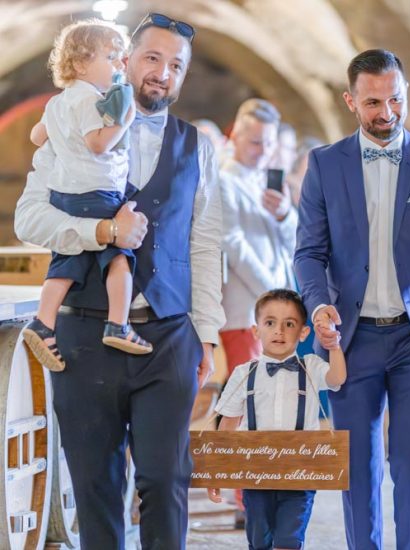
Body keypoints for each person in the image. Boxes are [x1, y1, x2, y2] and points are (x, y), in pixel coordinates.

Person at [15, 12, 224, 549]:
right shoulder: (68, 125)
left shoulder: (197, 146)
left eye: (175, 65)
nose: (162, 73)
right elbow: (29, 220)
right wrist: (102, 229)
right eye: (152, 58)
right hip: (83, 336)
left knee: (164, 477)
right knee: (95, 485)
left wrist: (208, 333)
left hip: (167, 334)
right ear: (125, 59)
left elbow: (204, 244)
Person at [294, 49, 410, 549]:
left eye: (395, 98)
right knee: (358, 464)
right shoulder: (325, 165)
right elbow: (309, 252)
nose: (386, 112)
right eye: (373, 102)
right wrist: (317, 304)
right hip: (352, 339)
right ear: (351, 101)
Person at [21, 20, 152, 372]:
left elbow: (37, 136)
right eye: (111, 57)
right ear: (80, 64)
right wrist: (125, 120)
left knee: (65, 262)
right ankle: (118, 323)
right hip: (97, 192)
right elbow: (98, 143)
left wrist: (61, 137)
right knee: (120, 257)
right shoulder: (92, 101)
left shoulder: (57, 102)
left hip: (66, 193)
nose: (119, 65)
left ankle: (43, 323)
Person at [208, 289, 346, 549]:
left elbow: (337, 378)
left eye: (289, 324)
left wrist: (334, 346)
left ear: (303, 333)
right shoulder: (243, 373)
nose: (279, 331)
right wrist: (216, 472)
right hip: (254, 475)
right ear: (255, 331)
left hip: (300, 474)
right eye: (270, 323)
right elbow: (227, 425)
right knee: (259, 540)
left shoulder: (312, 367)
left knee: (289, 540)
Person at [220, 98, 296, 373]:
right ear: (236, 136)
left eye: (269, 143)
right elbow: (233, 244)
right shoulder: (224, 180)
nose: (263, 151)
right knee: (250, 399)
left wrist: (285, 214)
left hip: (276, 309)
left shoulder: (267, 181)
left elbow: (295, 243)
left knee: (273, 402)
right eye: (255, 142)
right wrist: (272, 295)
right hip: (247, 311)